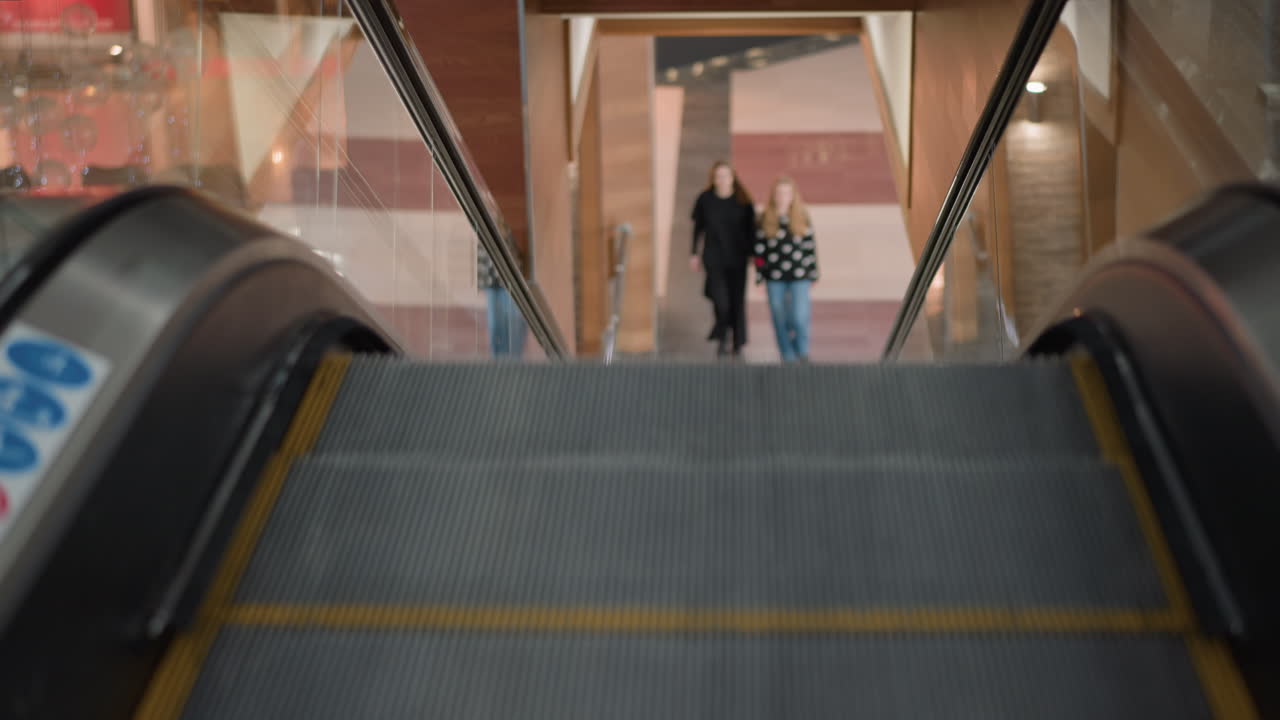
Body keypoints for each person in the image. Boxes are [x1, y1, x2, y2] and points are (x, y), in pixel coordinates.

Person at [690, 161, 756, 357]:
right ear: (713, 178)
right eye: (718, 176)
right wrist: (694, 253)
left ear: (733, 177)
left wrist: (754, 256)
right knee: (721, 300)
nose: (722, 179)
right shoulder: (705, 199)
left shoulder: (743, 201)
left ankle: (738, 341)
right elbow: (698, 228)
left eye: (726, 175)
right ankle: (722, 334)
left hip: (738, 257)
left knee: (737, 300)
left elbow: (752, 231)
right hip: (714, 256)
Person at [754, 176, 819, 363]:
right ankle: (787, 354)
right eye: (779, 193)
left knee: (799, 315)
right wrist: (759, 278)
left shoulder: (802, 216)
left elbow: (810, 247)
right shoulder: (765, 218)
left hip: (800, 275)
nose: (783, 197)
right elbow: (759, 252)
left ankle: (802, 350)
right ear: (773, 196)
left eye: (787, 193)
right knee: (778, 314)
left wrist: (813, 272)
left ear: (793, 196)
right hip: (774, 276)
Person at [477, 242, 527, 358]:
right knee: (495, 329)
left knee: (513, 327)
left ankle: (513, 366)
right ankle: (500, 367)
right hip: (491, 279)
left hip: (513, 278)